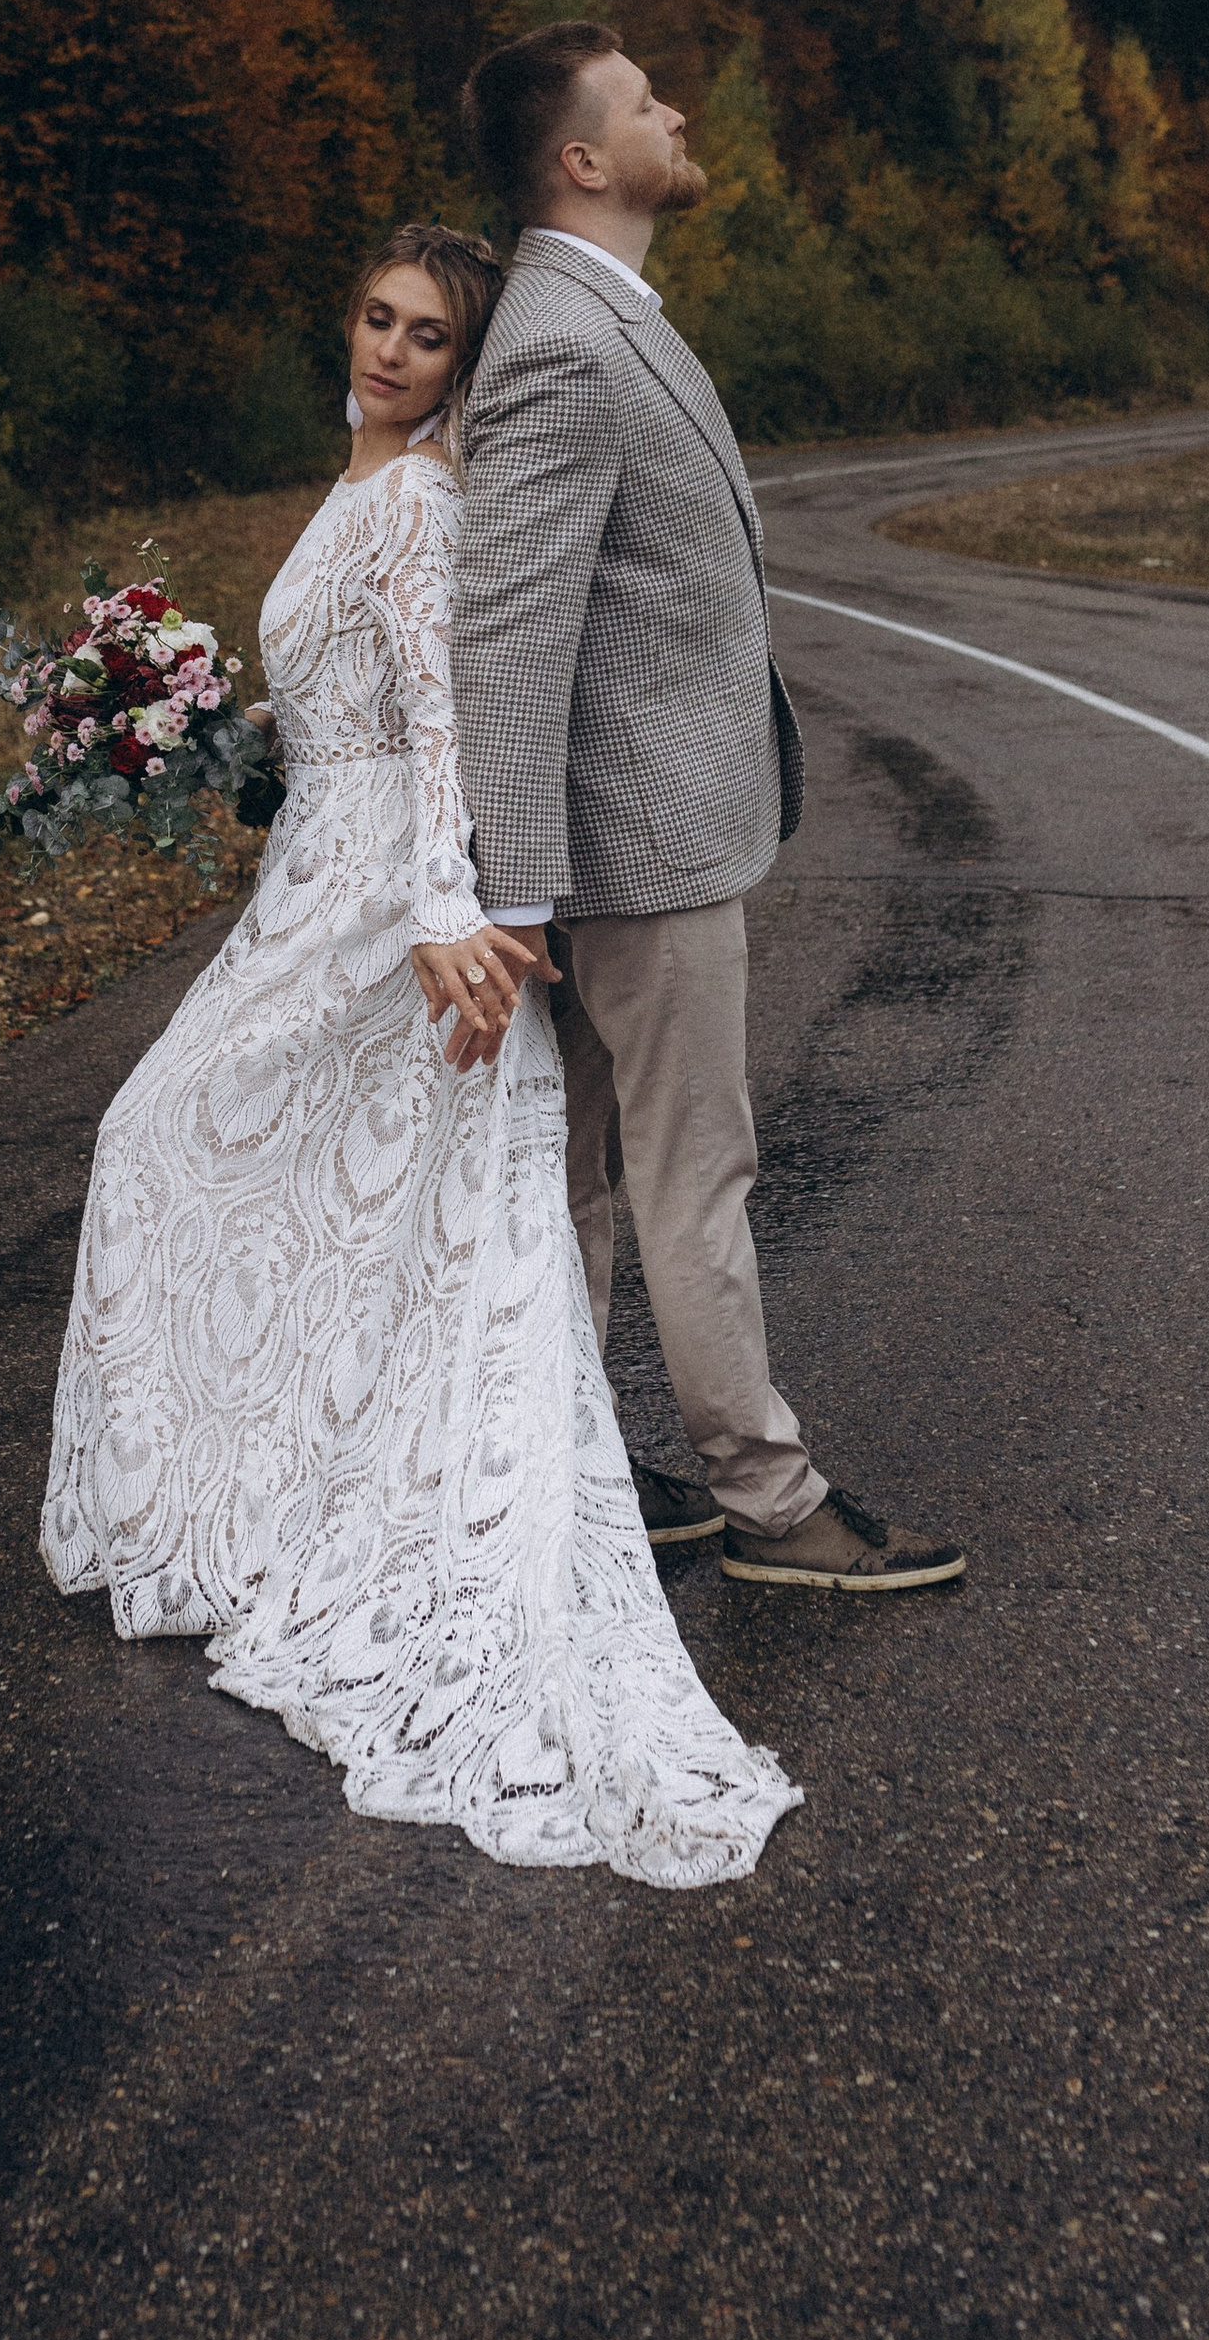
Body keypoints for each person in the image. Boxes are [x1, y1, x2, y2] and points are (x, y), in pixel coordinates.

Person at [40, 223, 799, 1885]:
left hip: (387, 897)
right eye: (378, 319)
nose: (392, 353)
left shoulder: (419, 505)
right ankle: (259, 1494)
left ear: (465, 368)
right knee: (216, 1161)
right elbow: (349, 706)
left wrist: (456, 911)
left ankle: (317, 1509)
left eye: (430, 338)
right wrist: (189, 731)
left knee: (170, 1140)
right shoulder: (353, 484)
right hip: (315, 862)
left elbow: (452, 716)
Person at [450, 22, 968, 1599]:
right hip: (628, 858)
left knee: (585, 1178)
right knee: (691, 1174)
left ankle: (574, 1464)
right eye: (644, 102)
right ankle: (771, 1501)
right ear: (584, 162)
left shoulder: (605, 317)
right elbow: (509, 637)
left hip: (627, 846)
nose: (678, 111)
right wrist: (519, 893)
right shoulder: (556, 339)